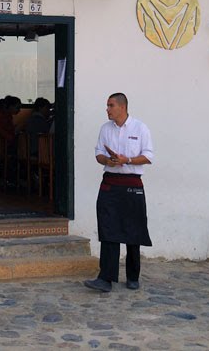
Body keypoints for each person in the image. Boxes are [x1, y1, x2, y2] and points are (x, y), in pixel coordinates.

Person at [84, 92, 153, 293]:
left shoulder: (140, 128)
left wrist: (128, 160)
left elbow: (148, 156)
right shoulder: (105, 129)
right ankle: (106, 278)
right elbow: (98, 154)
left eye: (110, 105)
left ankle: (133, 277)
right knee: (108, 229)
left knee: (133, 230)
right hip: (110, 184)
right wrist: (108, 160)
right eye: (107, 105)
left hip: (132, 184)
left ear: (122, 107)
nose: (107, 109)